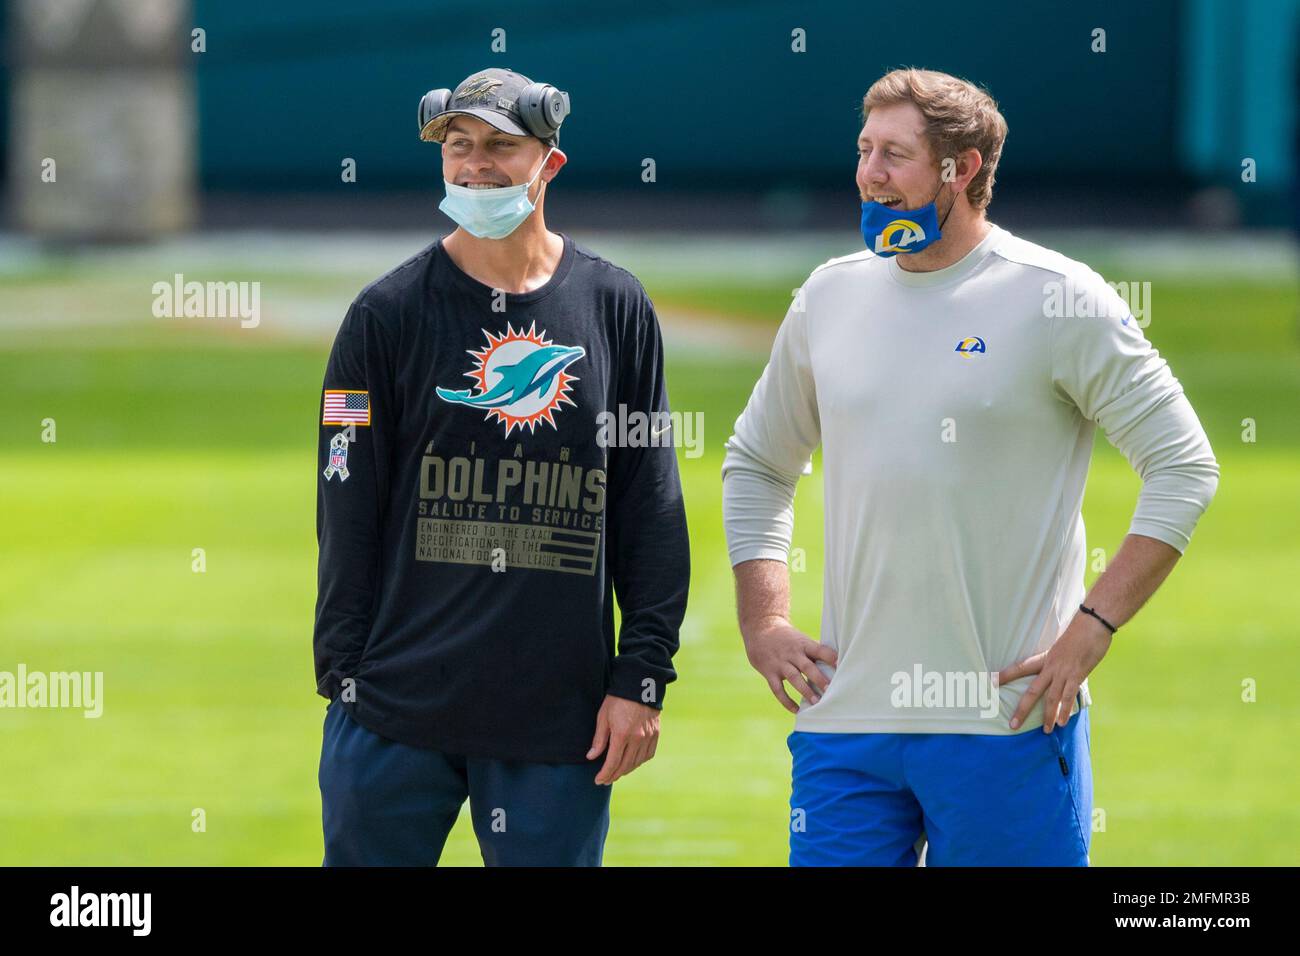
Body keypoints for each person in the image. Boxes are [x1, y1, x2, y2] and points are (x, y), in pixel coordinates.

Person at [721, 68, 1219, 866]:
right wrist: (764, 621)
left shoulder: (1060, 297)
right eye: (864, 149)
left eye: (896, 155)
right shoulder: (828, 296)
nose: (870, 174)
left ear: (964, 169)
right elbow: (756, 462)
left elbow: (1185, 466)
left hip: (1006, 724)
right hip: (847, 722)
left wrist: (1094, 627)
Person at [314, 67, 689, 866]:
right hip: (394, 709)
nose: (475, 166)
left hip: (559, 720)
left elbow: (648, 504)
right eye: (459, 147)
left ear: (549, 164)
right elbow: (345, 501)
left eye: (499, 147)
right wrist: (343, 678)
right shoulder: (385, 314)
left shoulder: (615, 308)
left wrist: (642, 676)